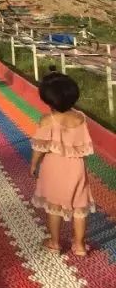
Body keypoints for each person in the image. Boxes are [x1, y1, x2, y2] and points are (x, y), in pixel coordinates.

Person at [31, 70, 94, 256]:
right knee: (79, 206)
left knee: (54, 207)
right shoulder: (80, 118)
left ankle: (54, 243)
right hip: (77, 168)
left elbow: (40, 148)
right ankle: (80, 246)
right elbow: (82, 145)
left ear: (47, 99)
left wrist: (33, 164)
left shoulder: (47, 120)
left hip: (54, 168)